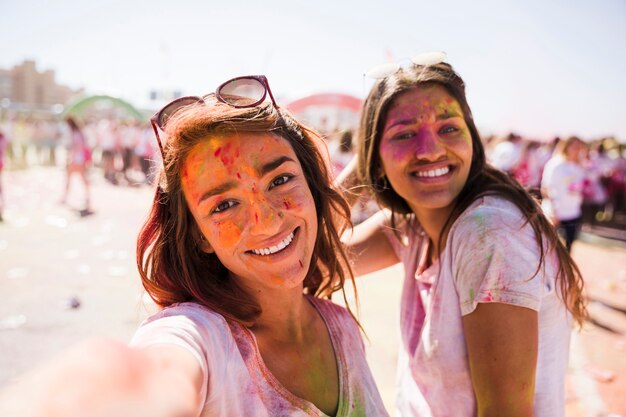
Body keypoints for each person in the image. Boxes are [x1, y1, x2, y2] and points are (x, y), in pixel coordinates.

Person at [0, 75, 389, 417]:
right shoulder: (201, 340)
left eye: (280, 181)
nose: (266, 220)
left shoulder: (343, 329)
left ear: (312, 185)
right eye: (224, 205)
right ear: (199, 235)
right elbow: (154, 374)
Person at [338, 58, 586, 416]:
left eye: (449, 128)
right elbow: (313, 260)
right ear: (375, 157)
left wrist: (380, 148)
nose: (430, 150)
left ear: (472, 139)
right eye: (404, 134)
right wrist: (364, 160)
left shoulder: (490, 235)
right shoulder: (415, 225)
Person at [541, 136, 587, 252]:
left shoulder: (579, 167)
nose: (577, 150)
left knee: (568, 248)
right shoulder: (556, 164)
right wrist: (554, 210)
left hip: (573, 212)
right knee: (549, 249)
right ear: (566, 147)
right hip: (555, 213)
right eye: (574, 146)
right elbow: (546, 188)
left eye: (579, 147)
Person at [60, 116, 93, 216]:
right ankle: (87, 197)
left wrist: (71, 158)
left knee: (71, 178)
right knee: (82, 179)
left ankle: (66, 197)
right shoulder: (80, 133)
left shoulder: (75, 134)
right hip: (80, 159)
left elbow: (76, 147)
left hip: (76, 159)